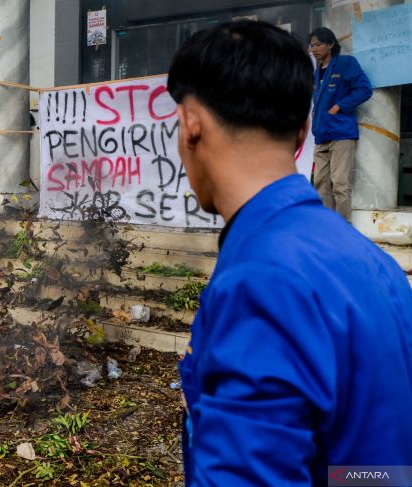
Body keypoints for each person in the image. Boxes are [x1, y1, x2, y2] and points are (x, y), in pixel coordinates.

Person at [167, 20, 412, 486]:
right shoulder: (373, 261)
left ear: (190, 126)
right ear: (303, 132)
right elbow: (370, 467)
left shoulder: (260, 281)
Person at [309, 27, 372, 221]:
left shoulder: (346, 63)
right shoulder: (317, 71)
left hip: (341, 133)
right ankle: (329, 226)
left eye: (318, 44)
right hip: (321, 135)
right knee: (320, 183)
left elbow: (364, 89)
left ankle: (343, 229)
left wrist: (339, 106)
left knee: (340, 184)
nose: (313, 49)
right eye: (311, 46)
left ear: (331, 44)